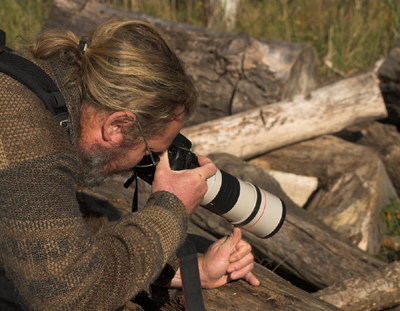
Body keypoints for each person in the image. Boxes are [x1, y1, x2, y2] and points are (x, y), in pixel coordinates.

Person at [0, 19, 259, 310]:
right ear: (117, 125)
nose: (149, 163)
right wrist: (170, 209)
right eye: (151, 151)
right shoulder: (28, 142)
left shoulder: (36, 80)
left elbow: (48, 235)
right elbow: (71, 296)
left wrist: (194, 272)